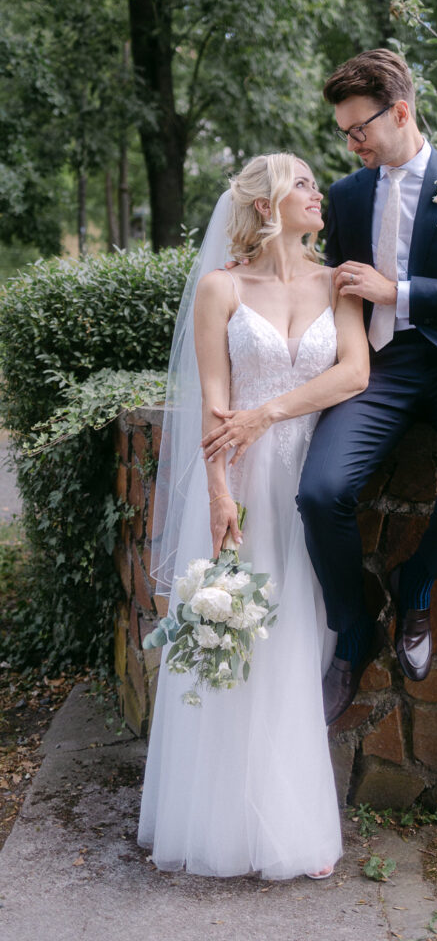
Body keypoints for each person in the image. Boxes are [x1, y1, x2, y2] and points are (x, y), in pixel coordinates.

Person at [203, 48, 437, 727]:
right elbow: (308, 269)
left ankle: (417, 578)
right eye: (345, 133)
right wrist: (249, 260)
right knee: (320, 493)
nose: (351, 144)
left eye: (358, 130)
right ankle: (352, 628)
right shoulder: (346, 197)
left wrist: (398, 291)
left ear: (399, 112)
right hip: (375, 369)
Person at [138, 153, 369, 880]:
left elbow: (355, 371)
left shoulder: (339, 283)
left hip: (310, 477)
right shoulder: (221, 288)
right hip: (243, 482)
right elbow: (214, 402)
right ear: (267, 204)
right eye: (303, 183)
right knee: (237, 643)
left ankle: (291, 824)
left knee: (297, 642)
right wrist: (216, 491)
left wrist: (269, 412)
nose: (317, 194)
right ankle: (219, 825)